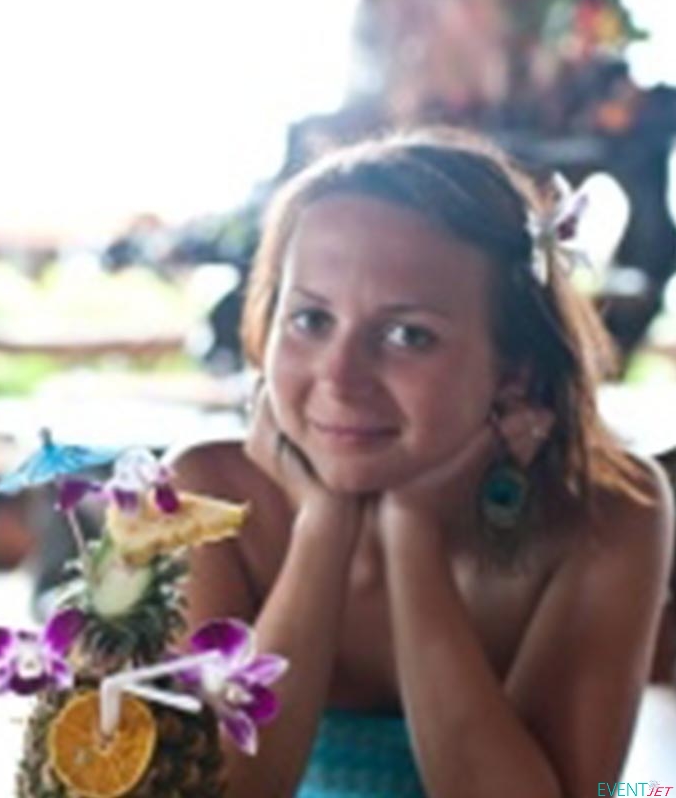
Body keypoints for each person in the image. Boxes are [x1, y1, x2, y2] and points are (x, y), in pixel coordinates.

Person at [167, 128, 674, 798]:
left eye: (409, 335)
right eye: (312, 320)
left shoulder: (607, 514)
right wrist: (323, 527)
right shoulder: (204, 500)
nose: (340, 377)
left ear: (515, 371)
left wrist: (413, 535)